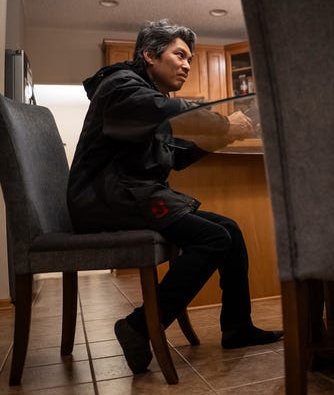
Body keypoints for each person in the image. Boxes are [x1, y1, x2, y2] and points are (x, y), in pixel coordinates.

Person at [67, 19, 283, 374]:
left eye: (190, 59)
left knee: (230, 230)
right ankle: (138, 327)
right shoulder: (122, 87)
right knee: (213, 237)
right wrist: (225, 124)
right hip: (105, 201)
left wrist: (226, 134)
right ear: (150, 55)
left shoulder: (144, 100)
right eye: (179, 55)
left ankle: (237, 327)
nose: (186, 64)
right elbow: (174, 114)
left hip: (125, 195)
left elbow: (176, 156)